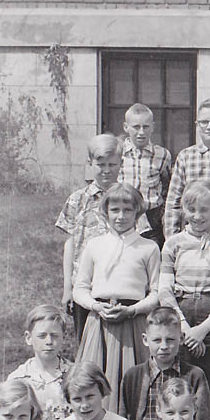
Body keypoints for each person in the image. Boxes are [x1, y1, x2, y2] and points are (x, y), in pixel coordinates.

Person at [73, 184, 161, 410]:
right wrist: (96, 306)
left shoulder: (148, 247)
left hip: (133, 323)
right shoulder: (95, 245)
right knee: (93, 381)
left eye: (127, 210)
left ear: (137, 212)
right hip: (99, 323)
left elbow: (156, 293)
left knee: (133, 384)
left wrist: (132, 310)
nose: (121, 216)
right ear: (106, 212)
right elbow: (80, 288)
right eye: (115, 210)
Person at [159, 180, 210, 394]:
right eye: (191, 209)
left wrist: (203, 329)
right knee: (181, 381)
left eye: (204, 209)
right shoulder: (173, 243)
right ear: (183, 210)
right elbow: (164, 290)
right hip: (181, 316)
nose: (197, 216)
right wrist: (186, 330)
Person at [56, 133, 123, 343]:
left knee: (115, 344)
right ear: (90, 163)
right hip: (84, 286)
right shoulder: (77, 199)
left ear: (121, 164)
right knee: (86, 344)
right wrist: (68, 288)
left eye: (112, 164)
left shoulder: (128, 198)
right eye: (100, 164)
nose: (106, 170)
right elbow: (70, 244)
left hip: (118, 285)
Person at [117, 307, 210, 420]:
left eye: (170, 339)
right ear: (145, 340)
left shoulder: (194, 375)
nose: (164, 346)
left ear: (181, 338)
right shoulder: (133, 376)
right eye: (157, 340)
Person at [163, 97, 210, 237]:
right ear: (197, 125)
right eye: (204, 122)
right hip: (190, 235)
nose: (209, 127)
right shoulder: (186, 156)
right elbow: (173, 203)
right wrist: (172, 239)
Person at [6, 304, 73, 420]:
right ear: (28, 338)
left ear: (64, 337)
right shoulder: (18, 379)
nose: (49, 341)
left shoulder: (74, 374)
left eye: (55, 335)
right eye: (42, 336)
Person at [118, 103, 172, 248]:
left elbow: (167, 187)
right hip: (122, 214)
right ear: (126, 127)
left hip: (152, 218)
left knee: (151, 254)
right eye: (136, 127)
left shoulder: (162, 155)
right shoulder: (118, 152)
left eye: (146, 127)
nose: (141, 132)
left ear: (152, 127)